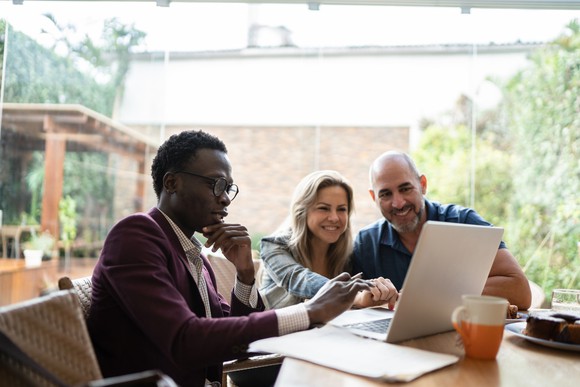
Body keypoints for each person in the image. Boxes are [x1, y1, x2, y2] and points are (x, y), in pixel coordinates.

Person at [86, 130, 373, 387]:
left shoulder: (193, 253)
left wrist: (245, 274)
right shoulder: (136, 235)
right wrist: (311, 311)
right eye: (217, 184)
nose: (225, 199)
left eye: (228, 189)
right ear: (172, 183)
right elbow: (186, 340)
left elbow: (236, 339)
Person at [351, 151, 532, 310]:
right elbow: (346, 300)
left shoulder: (465, 222)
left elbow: (520, 290)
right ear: (374, 197)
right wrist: (362, 299)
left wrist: (435, 294)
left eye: (405, 189)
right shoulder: (365, 243)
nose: (398, 203)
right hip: (388, 345)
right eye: (385, 194)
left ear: (423, 185)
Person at [260, 170, 398, 310]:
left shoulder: (348, 255)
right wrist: (355, 295)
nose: (334, 218)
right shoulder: (273, 246)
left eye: (341, 209)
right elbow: (298, 280)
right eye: (324, 208)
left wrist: (379, 291)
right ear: (302, 211)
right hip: (274, 331)